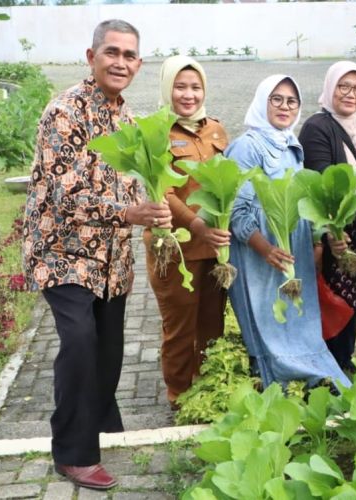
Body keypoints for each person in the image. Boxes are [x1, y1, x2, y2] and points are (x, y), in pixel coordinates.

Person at [22, 20, 170, 490]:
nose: (120, 62)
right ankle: (73, 452)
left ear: (139, 64)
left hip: (110, 261)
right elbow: (67, 197)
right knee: (81, 342)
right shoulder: (64, 112)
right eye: (112, 52)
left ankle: (102, 424)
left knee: (108, 352)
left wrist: (160, 213)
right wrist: (131, 213)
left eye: (129, 55)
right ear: (91, 57)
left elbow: (135, 188)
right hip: (61, 252)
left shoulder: (128, 123)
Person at [225, 74, 350, 389]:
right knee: (267, 321)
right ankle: (277, 385)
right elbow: (236, 212)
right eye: (276, 99)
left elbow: (302, 204)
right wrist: (265, 249)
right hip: (260, 253)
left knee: (297, 321)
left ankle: (308, 383)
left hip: (292, 249)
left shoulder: (292, 146)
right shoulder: (247, 146)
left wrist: (315, 244)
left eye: (291, 101)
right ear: (262, 102)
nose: (284, 106)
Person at [146, 55, 230, 408]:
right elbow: (162, 192)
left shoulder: (216, 129)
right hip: (176, 250)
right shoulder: (156, 132)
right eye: (180, 86)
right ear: (168, 88)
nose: (188, 94)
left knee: (212, 325)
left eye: (195, 87)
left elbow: (227, 183)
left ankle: (208, 390)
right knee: (180, 328)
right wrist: (196, 224)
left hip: (214, 250)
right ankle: (179, 396)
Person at [298, 61, 356, 374]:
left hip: (355, 240)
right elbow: (322, 184)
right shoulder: (318, 127)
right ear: (330, 88)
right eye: (343, 87)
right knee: (333, 304)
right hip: (335, 237)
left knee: (352, 300)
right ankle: (329, 371)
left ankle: (343, 363)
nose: (351, 94)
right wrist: (332, 232)